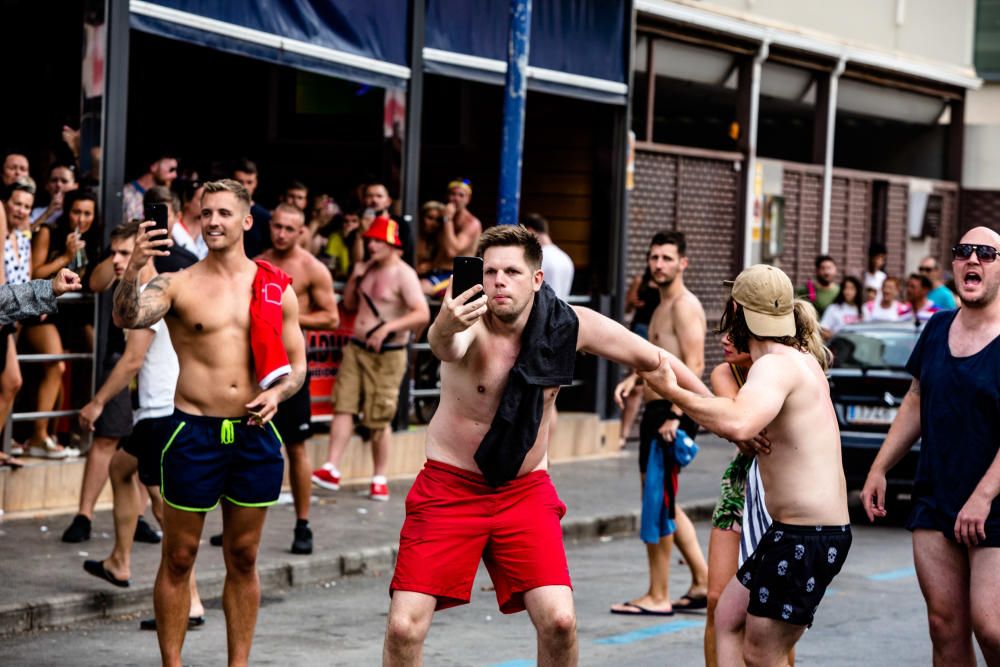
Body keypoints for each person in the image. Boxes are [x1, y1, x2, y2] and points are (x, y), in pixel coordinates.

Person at [382, 225, 710, 666]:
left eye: (512, 272)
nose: (499, 281)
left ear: (537, 278)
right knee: (404, 627)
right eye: (491, 271)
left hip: (523, 492)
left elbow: (656, 360)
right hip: (450, 488)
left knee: (559, 622)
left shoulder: (569, 326)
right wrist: (445, 322)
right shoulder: (466, 319)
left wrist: (719, 414)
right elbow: (446, 345)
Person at [112, 178, 306, 667]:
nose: (213, 221)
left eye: (223, 213)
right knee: (179, 557)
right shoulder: (178, 282)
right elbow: (126, 317)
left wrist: (277, 393)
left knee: (243, 556)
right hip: (193, 432)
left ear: (245, 221)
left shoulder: (275, 286)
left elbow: (297, 367)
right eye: (206, 214)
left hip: (255, 435)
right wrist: (134, 264)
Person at [642, 264, 850, 666]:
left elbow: (738, 420)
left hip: (807, 536)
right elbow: (733, 407)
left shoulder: (776, 365)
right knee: (728, 616)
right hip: (795, 532)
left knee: (762, 653)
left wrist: (671, 391)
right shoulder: (796, 359)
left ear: (737, 313)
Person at [861, 229, 1000, 667]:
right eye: (963, 252)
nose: (972, 259)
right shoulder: (938, 327)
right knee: (944, 626)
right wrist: (880, 467)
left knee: (992, 625)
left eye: (986, 253)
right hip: (936, 495)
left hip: (994, 503)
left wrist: (983, 497)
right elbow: (916, 398)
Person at [79, 221, 206, 629]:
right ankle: (120, 560)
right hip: (157, 414)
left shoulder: (154, 291)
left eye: (123, 252)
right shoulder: (153, 287)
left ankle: (191, 601)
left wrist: (98, 402)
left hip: (161, 414)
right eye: (113, 253)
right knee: (121, 468)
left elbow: (133, 359)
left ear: (145, 250)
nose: (116, 260)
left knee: (165, 509)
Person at [610, 231, 709, 617]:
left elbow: (695, 364)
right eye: (654, 258)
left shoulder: (684, 306)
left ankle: (658, 595)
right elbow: (659, 359)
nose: (659, 265)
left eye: (667, 258)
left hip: (670, 412)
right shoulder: (660, 305)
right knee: (663, 500)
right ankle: (700, 579)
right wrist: (633, 380)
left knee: (659, 503)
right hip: (658, 410)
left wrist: (675, 415)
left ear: (683, 263)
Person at [312, 215, 430, 501]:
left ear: (392, 244)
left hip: (387, 354)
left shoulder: (404, 274)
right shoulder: (368, 269)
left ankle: (379, 477)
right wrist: (355, 275)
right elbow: (350, 304)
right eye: (370, 240)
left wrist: (388, 328)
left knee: (379, 417)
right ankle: (332, 467)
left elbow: (421, 313)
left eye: (378, 240)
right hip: (356, 347)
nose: (372, 245)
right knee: (344, 404)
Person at [254, 203, 338, 553]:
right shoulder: (257, 262)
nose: (282, 234)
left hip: (291, 366)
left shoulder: (311, 268)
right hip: (258, 366)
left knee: (297, 447)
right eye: (277, 227)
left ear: (302, 231)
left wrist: (289, 316)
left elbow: (331, 318)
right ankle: (241, 520)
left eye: (290, 229)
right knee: (248, 446)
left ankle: (303, 525)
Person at [618, 267, 661, 447]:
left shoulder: (665, 286)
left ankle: (626, 432)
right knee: (636, 387)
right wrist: (632, 301)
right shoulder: (640, 281)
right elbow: (627, 308)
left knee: (641, 387)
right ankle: (623, 434)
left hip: (656, 334)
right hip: (639, 332)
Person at [354, 182, 414, 265]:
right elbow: (357, 261)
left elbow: (402, 253)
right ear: (364, 200)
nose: (374, 200)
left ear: (388, 201)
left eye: (379, 196)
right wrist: (360, 235)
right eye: (369, 196)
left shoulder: (400, 224)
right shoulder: (360, 224)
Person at [522, 213, 574, 300]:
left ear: (530, 231)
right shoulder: (566, 258)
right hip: (562, 311)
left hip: (542, 311)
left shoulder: (536, 257)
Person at [122, 152, 178, 223]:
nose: (175, 175)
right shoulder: (127, 193)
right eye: (171, 169)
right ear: (154, 167)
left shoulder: (165, 196)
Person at [232, 158, 272, 258]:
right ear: (232, 182)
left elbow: (268, 251)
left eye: (249, 182)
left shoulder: (264, 216)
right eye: (240, 182)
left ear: (255, 183)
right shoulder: (220, 211)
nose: (244, 187)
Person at [439, 178, 482, 263]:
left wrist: (447, 219)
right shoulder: (441, 216)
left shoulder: (472, 223)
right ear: (447, 196)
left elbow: (452, 252)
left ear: (468, 199)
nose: (456, 199)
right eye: (453, 194)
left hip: (458, 272)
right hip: (436, 271)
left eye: (461, 195)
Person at [30, 162, 78, 228]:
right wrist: (47, 213)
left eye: (64, 181)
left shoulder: (80, 211)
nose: (58, 185)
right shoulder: (37, 212)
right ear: (47, 185)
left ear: (75, 186)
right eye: (54, 180)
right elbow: (25, 236)